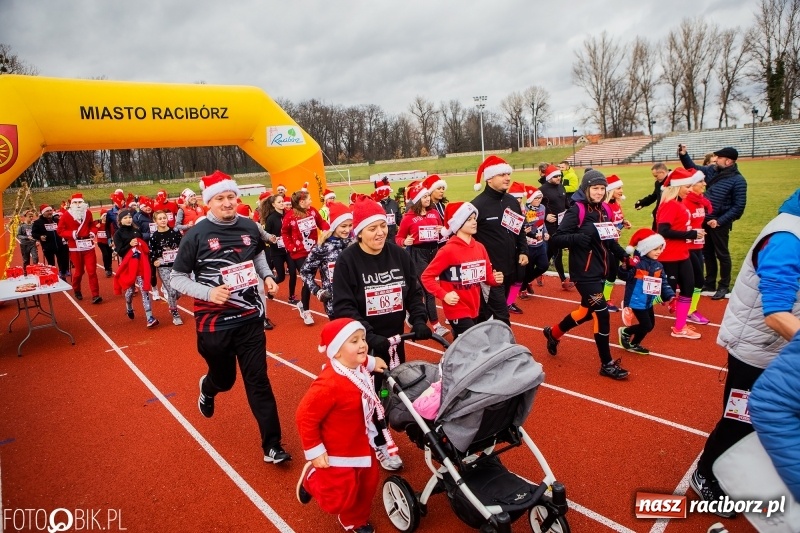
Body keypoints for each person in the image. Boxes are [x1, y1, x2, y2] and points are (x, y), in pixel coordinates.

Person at [690, 187, 800, 518]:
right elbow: (776, 312)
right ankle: (705, 475)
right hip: (757, 349)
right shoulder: (788, 238)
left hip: (781, 347)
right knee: (740, 420)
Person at [170, 170, 290, 465]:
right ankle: (208, 388)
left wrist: (267, 277)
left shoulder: (249, 225)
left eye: (231, 197)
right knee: (225, 380)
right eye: (220, 198)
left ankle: (272, 445)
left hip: (250, 318)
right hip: (214, 324)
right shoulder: (196, 235)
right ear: (208, 202)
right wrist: (209, 294)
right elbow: (176, 278)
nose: (227, 203)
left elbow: (257, 255)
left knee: (258, 380)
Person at [332, 197, 432, 470]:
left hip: (393, 339)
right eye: (372, 227)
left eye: (383, 226)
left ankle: (384, 428)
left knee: (391, 390)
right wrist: (366, 335)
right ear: (359, 232)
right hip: (363, 343)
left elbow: (413, 292)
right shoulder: (348, 261)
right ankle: (378, 442)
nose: (379, 232)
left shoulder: (398, 255)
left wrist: (420, 319)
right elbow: (343, 305)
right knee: (368, 393)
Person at [295, 318, 387, 533]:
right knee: (336, 500)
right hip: (338, 451)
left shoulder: (354, 365)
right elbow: (304, 416)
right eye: (354, 341)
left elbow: (359, 361)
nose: (363, 344)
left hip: (364, 442)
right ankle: (311, 479)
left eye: (363, 339)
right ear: (336, 351)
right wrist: (315, 451)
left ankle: (354, 520)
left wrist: (371, 362)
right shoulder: (328, 384)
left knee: (367, 486)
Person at [542, 171, 631, 380]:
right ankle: (607, 364)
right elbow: (556, 239)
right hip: (583, 273)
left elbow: (610, 241)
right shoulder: (577, 210)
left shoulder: (606, 209)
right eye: (595, 188)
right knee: (602, 312)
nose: (599, 192)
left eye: (602, 188)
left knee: (585, 312)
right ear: (586, 189)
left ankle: (553, 333)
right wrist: (578, 238)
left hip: (601, 270)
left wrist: (625, 257)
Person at [421, 202, 503, 339]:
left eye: (474, 219)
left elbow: (488, 278)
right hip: (456, 309)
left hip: (476, 307)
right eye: (469, 219)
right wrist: (444, 295)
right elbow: (426, 277)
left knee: (467, 346)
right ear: (458, 224)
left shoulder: (480, 247)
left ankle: (451, 356)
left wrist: (496, 279)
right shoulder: (448, 250)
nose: (474, 222)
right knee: (476, 342)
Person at [678, 145, 747, 300]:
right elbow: (693, 168)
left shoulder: (738, 180)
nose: (715, 160)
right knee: (707, 253)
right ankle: (709, 283)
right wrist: (684, 155)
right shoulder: (711, 171)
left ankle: (723, 286)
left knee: (722, 254)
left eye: (719, 158)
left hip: (719, 223)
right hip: (704, 221)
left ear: (728, 161)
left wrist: (720, 221)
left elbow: (739, 206)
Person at [471, 155, 529, 325]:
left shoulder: (512, 201)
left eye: (508, 174)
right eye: (502, 175)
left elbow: (519, 229)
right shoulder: (477, 205)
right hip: (491, 273)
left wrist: (523, 250)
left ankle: (469, 335)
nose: (508, 178)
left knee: (488, 313)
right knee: (500, 317)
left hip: (511, 268)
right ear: (489, 178)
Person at [749, 331, 800, 502]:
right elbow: (768, 404)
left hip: (772, 348)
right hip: (754, 349)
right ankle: (705, 473)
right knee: (737, 425)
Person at [656, 168, 705, 340]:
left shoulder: (679, 204)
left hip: (683, 254)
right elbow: (664, 231)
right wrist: (691, 234)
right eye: (687, 187)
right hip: (669, 256)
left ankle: (679, 327)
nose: (690, 190)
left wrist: (692, 232)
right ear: (677, 187)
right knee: (661, 293)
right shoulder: (669, 205)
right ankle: (633, 304)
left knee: (688, 288)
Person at [396, 181, 447, 336]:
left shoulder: (434, 213)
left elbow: (442, 231)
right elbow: (399, 237)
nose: (427, 199)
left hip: (435, 252)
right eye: (424, 196)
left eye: (427, 196)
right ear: (417, 199)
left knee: (442, 285)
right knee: (429, 290)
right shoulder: (408, 217)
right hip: (418, 254)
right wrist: (405, 242)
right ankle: (436, 325)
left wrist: (442, 230)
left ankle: (411, 311)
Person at [618, 229, 675, 355]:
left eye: (661, 248)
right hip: (636, 300)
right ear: (646, 249)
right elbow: (624, 276)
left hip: (648, 300)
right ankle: (626, 332)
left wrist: (671, 296)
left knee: (650, 325)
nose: (659, 252)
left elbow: (664, 283)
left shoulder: (658, 266)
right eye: (655, 249)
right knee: (646, 325)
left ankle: (634, 344)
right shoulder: (637, 265)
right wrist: (625, 267)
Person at [281, 189, 330, 325]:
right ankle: (307, 312)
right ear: (301, 202)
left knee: (312, 279)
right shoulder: (290, 216)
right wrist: (291, 247)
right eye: (309, 199)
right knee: (308, 280)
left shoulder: (313, 211)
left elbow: (322, 223)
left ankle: (303, 303)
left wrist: (327, 229)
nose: (311, 201)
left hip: (315, 251)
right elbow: (284, 232)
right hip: (299, 253)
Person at [300, 202, 353, 319]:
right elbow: (305, 271)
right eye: (343, 226)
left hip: (356, 302)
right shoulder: (321, 248)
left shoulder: (353, 244)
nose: (347, 230)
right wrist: (318, 291)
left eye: (350, 225)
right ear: (334, 225)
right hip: (335, 305)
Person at [112, 208, 158, 327]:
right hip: (128, 267)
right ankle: (129, 306)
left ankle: (149, 317)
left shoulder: (137, 230)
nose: (128, 219)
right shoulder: (118, 234)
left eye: (129, 217)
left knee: (144, 290)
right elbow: (120, 251)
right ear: (120, 220)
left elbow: (143, 246)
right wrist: (129, 245)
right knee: (130, 291)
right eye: (125, 218)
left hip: (140, 266)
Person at [57, 193, 102, 304]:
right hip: (75, 247)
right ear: (71, 204)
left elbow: (92, 225)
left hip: (88, 246)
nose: (78, 205)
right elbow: (60, 231)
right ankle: (76, 289)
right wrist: (72, 234)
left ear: (83, 203)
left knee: (92, 271)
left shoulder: (88, 212)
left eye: (80, 202)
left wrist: (92, 232)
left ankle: (95, 295)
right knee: (79, 271)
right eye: (75, 202)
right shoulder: (66, 215)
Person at [683, 171, 713, 325]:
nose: (705, 184)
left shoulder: (701, 201)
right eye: (701, 181)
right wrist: (693, 233)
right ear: (691, 185)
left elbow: (697, 221)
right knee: (695, 281)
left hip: (698, 245)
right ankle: (638, 303)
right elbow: (678, 227)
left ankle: (690, 310)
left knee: (697, 281)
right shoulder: (685, 203)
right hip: (686, 247)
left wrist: (709, 222)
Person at [538, 164, 573, 291]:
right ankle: (564, 280)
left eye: (560, 175)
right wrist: (546, 216)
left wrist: (574, 211)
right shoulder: (542, 190)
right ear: (549, 177)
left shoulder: (561, 187)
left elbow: (566, 205)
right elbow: (533, 208)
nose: (559, 177)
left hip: (562, 225)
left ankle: (538, 271)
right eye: (556, 176)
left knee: (549, 253)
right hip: (549, 226)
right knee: (558, 251)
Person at [149, 210, 184, 326]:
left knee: (178, 292)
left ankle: (169, 293)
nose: (163, 220)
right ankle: (175, 313)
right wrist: (155, 261)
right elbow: (151, 252)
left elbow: (183, 245)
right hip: (164, 267)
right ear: (155, 221)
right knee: (172, 292)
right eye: (160, 218)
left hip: (177, 266)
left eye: (164, 218)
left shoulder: (174, 232)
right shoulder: (154, 237)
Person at [602, 175, 630, 312]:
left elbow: (618, 221)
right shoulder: (605, 206)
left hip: (614, 243)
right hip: (607, 245)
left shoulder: (616, 204)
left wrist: (623, 223)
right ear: (611, 190)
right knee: (611, 273)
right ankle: (604, 300)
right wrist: (615, 229)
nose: (621, 190)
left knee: (614, 272)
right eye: (618, 188)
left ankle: (603, 297)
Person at [519, 186, 549, 300]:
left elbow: (542, 223)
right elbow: (524, 227)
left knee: (544, 265)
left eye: (540, 198)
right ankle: (522, 289)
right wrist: (527, 232)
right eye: (536, 198)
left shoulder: (542, 207)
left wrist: (545, 233)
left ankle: (525, 282)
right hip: (528, 245)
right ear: (530, 199)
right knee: (529, 269)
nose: (539, 200)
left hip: (540, 243)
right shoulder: (524, 210)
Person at [31, 204, 70, 279]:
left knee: (62, 261)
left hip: (60, 245)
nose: (50, 212)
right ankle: (52, 277)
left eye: (50, 210)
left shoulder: (56, 220)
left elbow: (64, 229)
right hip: (48, 246)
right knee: (51, 263)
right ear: (43, 213)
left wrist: (66, 238)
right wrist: (40, 237)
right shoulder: (38, 222)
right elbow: (34, 233)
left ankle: (63, 276)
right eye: (47, 211)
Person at [635, 162, 669, 231]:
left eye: (656, 176)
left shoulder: (674, 182)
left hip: (668, 216)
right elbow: (654, 196)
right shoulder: (658, 183)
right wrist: (642, 202)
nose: (655, 179)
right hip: (658, 215)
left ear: (662, 172)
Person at [16, 209, 39, 275]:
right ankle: (26, 273)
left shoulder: (34, 224)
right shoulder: (21, 225)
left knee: (35, 258)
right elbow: (18, 235)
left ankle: (35, 271)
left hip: (33, 244)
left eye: (32, 216)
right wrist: (26, 237)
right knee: (26, 260)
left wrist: (37, 240)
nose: (31, 218)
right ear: (25, 216)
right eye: (30, 216)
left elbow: (36, 233)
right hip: (24, 245)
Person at [92, 210, 113, 277]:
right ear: (101, 217)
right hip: (101, 243)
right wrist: (96, 227)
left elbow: (113, 232)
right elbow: (91, 226)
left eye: (107, 216)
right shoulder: (97, 224)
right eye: (104, 216)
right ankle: (107, 269)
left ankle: (109, 267)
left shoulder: (110, 224)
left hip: (108, 242)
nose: (105, 217)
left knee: (109, 255)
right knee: (105, 254)